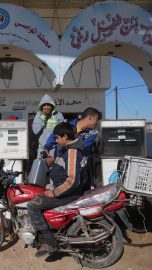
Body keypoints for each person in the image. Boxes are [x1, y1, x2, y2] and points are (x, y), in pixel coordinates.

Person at [27, 122, 87, 258]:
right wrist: (55, 162)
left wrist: (54, 193)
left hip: (68, 195)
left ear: (65, 137)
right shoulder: (68, 150)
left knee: (32, 205)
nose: (56, 140)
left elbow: (72, 181)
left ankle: (49, 242)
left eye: (57, 137)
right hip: (66, 192)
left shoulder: (72, 151)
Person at [43, 107, 99, 190]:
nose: (97, 122)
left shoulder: (91, 134)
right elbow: (53, 136)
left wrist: (54, 160)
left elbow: (78, 149)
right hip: (61, 171)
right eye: (96, 119)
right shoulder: (66, 123)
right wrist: (46, 149)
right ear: (90, 117)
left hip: (78, 171)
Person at [32, 94, 65, 158]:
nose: (46, 107)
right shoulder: (39, 115)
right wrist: (43, 117)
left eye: (48, 105)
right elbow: (35, 131)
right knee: (41, 167)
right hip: (42, 149)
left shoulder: (58, 115)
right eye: (44, 105)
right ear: (41, 106)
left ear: (52, 106)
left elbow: (62, 131)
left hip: (54, 149)